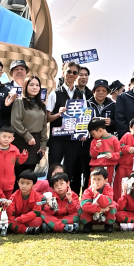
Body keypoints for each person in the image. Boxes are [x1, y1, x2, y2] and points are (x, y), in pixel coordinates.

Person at [47, 61, 92, 193]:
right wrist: (58, 114)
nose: (71, 74)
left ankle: (66, 199)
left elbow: (83, 117)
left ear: (77, 75)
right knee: (53, 168)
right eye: (69, 72)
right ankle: (51, 196)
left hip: (73, 139)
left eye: (74, 72)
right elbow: (47, 118)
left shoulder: (81, 95)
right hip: (57, 138)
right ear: (63, 73)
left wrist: (83, 133)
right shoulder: (55, 93)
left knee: (69, 170)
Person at [11, 75, 48, 177]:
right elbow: (15, 121)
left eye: (37, 85)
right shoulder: (19, 101)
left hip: (35, 143)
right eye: (31, 85)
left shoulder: (42, 105)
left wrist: (43, 145)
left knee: (29, 175)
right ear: (25, 86)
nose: (35, 87)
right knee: (18, 173)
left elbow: (44, 126)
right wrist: (27, 136)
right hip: (21, 139)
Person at [0, 126, 28, 194]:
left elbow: (19, 162)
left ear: (12, 139)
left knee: (7, 199)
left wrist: (23, 156)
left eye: (9, 137)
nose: (6, 139)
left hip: (9, 182)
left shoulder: (15, 150)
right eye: (4, 137)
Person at [88, 117, 121, 199]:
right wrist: (96, 148)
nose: (93, 136)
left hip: (109, 167)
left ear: (100, 130)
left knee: (108, 185)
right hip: (96, 167)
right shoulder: (94, 141)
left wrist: (112, 156)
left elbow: (119, 154)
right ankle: (91, 201)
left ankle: (108, 201)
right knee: (93, 184)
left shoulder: (114, 139)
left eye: (93, 133)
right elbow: (92, 155)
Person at [5, 169, 44, 235]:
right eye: (22, 183)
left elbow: (36, 212)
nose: (24, 186)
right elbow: (11, 213)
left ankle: (16, 228)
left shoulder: (37, 196)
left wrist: (21, 219)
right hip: (16, 218)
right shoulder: (14, 195)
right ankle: (26, 229)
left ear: (33, 184)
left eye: (28, 183)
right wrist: (7, 206)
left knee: (38, 220)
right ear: (18, 182)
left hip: (27, 219)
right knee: (6, 220)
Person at [78, 167, 117, 232]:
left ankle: (109, 224)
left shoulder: (109, 190)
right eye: (93, 179)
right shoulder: (87, 191)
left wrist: (96, 194)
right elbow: (85, 206)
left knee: (113, 205)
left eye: (99, 179)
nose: (96, 182)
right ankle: (88, 224)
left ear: (105, 181)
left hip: (105, 214)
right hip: (92, 214)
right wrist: (100, 209)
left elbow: (106, 203)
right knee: (80, 206)